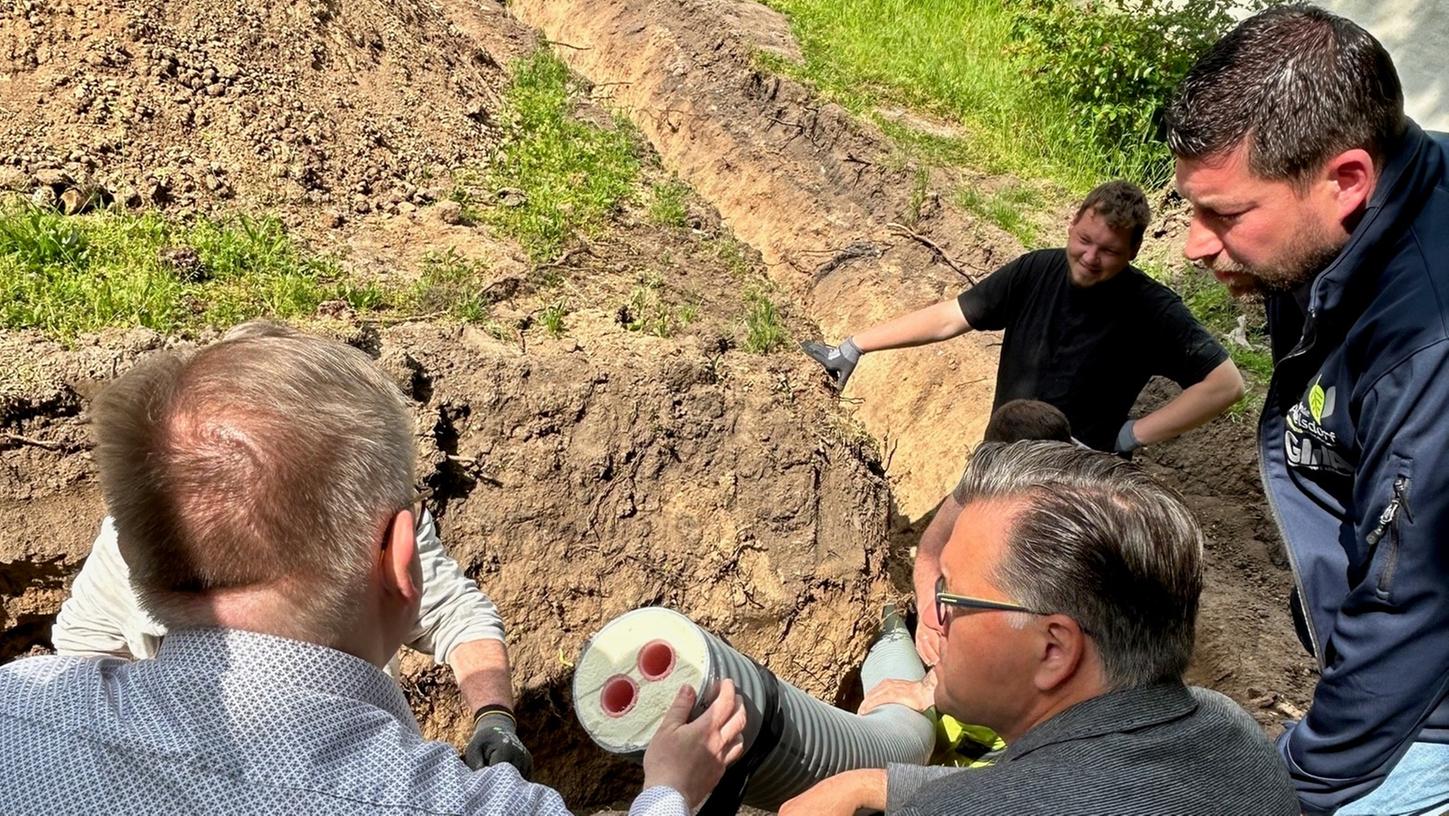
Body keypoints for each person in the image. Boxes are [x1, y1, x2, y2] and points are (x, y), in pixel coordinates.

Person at [0, 321, 746, 814]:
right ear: (401, 553)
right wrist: (669, 789)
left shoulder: (15, 708)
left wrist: (492, 716)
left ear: (140, 550)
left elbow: (464, 621)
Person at [1166, 6, 1449, 814]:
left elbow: (1410, 606)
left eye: (1224, 214)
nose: (1192, 243)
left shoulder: (1426, 343)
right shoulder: (1331, 238)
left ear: (1346, 179)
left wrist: (1293, 782)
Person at [52, 322, 529, 775]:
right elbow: (85, 651)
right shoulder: (135, 535)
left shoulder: (366, 516)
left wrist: (493, 717)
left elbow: (459, 616)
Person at [779, 442, 1299, 815]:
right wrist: (885, 782)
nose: (936, 618)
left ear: (1054, 649)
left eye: (952, 597)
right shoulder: (1231, 730)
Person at [802, 180, 1244, 456]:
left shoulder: (1151, 309)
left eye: (1108, 251)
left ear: (1133, 252)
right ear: (1072, 225)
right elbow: (950, 317)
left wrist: (1129, 435)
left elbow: (1225, 384)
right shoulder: (1036, 270)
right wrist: (854, 345)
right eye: (1085, 240)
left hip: (1071, 473)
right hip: (1001, 453)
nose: (1090, 257)